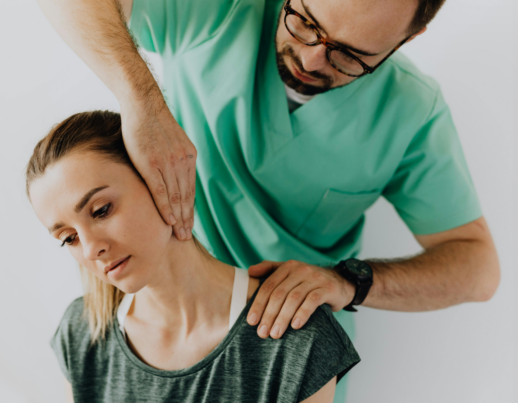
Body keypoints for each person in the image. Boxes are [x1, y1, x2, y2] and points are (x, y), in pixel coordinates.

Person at [35, 0, 500, 400]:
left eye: (352, 56)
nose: (314, 59)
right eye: (307, 22)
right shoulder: (219, 13)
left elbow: (478, 269)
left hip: (278, 339)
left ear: (409, 36)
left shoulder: (411, 111)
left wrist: (348, 282)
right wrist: (142, 103)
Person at [26, 110, 360, 403]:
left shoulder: (295, 335)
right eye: (68, 238)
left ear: (164, 180)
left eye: (101, 210)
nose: (89, 249)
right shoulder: (83, 332)